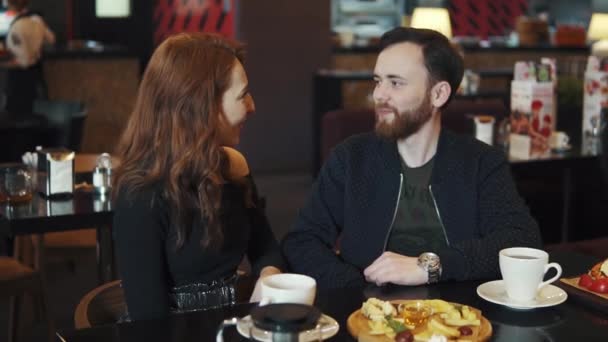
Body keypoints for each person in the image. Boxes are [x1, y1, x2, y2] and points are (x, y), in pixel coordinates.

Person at [282, 27, 542, 289]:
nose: (379, 95)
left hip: (459, 318)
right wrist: (358, 291)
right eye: (377, 81)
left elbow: (521, 241)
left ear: (438, 94)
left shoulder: (480, 162)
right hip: (367, 316)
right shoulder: (351, 158)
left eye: (395, 83)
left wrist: (432, 266)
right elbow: (302, 240)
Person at [112, 32, 283, 321]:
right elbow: (150, 323)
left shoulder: (233, 166)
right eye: (243, 95)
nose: (252, 106)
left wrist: (269, 276)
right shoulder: (141, 193)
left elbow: (267, 249)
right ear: (201, 107)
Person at [3, 0, 55, 114]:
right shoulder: (37, 20)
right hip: (36, 78)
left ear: (8, 4)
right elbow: (51, 39)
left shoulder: (17, 27)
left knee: (18, 121)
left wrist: (3, 63)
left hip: (19, 83)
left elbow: (23, 61)